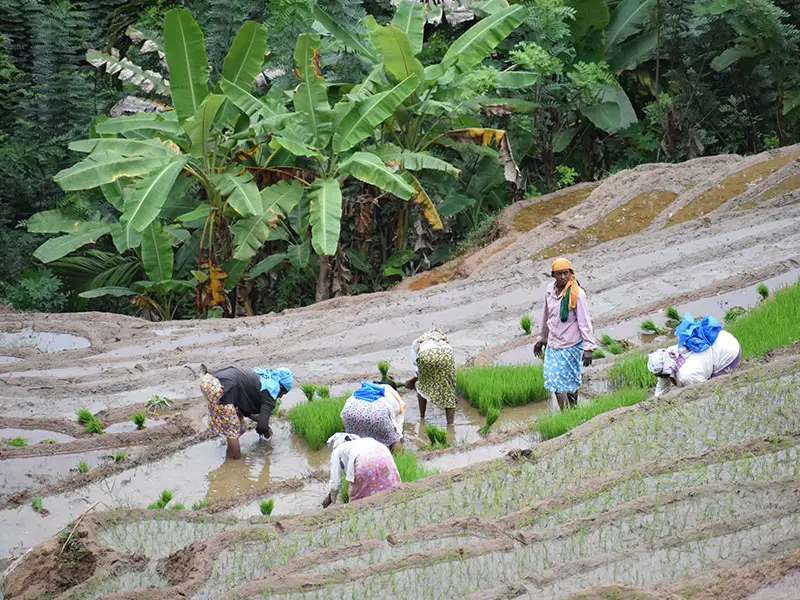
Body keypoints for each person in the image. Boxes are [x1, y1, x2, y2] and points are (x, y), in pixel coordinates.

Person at [533, 257, 597, 410]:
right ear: (553, 275)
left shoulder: (577, 294)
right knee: (555, 380)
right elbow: (546, 317)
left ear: (571, 273)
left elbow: (584, 322)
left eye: (565, 273)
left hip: (571, 344)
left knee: (570, 380)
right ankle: (566, 413)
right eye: (559, 274)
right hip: (554, 344)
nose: (562, 277)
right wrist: (541, 339)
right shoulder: (550, 291)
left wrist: (588, 347)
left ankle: (571, 411)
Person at [200, 365, 294, 459]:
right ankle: (236, 465)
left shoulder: (264, 379)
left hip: (209, 380)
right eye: (283, 393)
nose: (281, 396)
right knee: (233, 431)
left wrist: (259, 419)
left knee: (240, 426)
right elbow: (261, 427)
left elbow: (243, 409)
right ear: (281, 387)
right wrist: (266, 431)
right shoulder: (270, 393)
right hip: (219, 388)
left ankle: (230, 456)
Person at [648, 314, 741, 396]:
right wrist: (656, 400)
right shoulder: (670, 354)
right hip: (723, 336)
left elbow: (704, 388)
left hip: (730, 352)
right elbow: (662, 384)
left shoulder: (686, 376)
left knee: (716, 386)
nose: (660, 377)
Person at [322, 433, 401, 507]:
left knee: (358, 503)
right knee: (391, 490)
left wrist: (332, 499)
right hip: (384, 453)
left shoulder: (337, 451)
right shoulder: (364, 441)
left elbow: (335, 483)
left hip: (363, 462)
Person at [405, 328, 457, 424]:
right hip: (447, 354)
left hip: (426, 355)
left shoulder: (417, 343)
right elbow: (450, 370)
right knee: (449, 392)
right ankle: (450, 424)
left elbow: (418, 369)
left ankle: (422, 417)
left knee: (422, 387)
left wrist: (414, 380)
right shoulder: (443, 340)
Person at [340, 381, 406, 452]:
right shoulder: (395, 396)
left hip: (349, 412)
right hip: (378, 415)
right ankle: (397, 459)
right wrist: (397, 438)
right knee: (395, 439)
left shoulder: (365, 389)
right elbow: (398, 424)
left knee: (355, 441)